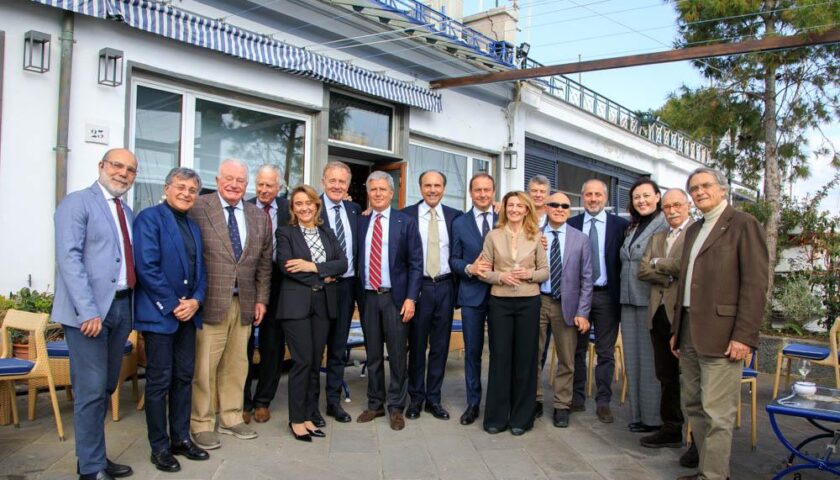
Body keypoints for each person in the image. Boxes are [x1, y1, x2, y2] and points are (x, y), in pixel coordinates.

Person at [673, 167, 768, 480]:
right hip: (687, 330)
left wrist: (744, 336)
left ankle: (714, 475)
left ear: (723, 190)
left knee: (718, 412)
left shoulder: (743, 224)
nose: (699, 192)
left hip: (724, 335)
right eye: (694, 188)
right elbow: (686, 282)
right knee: (693, 406)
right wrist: (676, 329)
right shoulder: (693, 230)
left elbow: (755, 285)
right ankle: (706, 469)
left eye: (705, 186)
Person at [52, 148, 138, 480]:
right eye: (117, 165)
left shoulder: (126, 212)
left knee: (104, 388)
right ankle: (90, 469)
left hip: (120, 308)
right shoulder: (77, 203)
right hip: (89, 313)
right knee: (90, 390)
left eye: (131, 169)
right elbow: (69, 259)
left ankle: (93, 457)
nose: (123, 173)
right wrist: (88, 311)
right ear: (101, 166)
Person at [189, 159, 273, 450]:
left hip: (245, 302)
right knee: (204, 367)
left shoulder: (258, 216)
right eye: (229, 178)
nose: (234, 184)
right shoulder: (199, 207)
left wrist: (261, 299)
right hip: (209, 302)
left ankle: (231, 417)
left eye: (240, 180)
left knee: (237, 365)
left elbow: (264, 263)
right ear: (217, 178)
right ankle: (201, 423)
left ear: (246, 184)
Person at [133, 168, 209, 472]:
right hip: (160, 316)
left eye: (193, 189)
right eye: (181, 187)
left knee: (183, 379)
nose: (187, 193)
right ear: (167, 188)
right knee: (159, 382)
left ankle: (181, 438)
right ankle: (160, 447)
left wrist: (196, 301)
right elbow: (146, 266)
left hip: (188, 316)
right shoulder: (149, 218)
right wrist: (173, 304)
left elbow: (202, 271)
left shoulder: (193, 226)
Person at [276, 185, 348, 442]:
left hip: (323, 305)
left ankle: (308, 415)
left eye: (309, 203)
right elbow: (287, 267)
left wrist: (311, 265)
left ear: (316, 205)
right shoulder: (285, 233)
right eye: (298, 203)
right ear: (292, 208)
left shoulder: (327, 232)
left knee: (315, 362)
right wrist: (322, 274)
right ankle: (296, 419)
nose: (304, 207)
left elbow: (342, 264)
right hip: (296, 306)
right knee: (302, 361)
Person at [355, 171, 423, 431]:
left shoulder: (405, 223)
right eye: (373, 190)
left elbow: (416, 263)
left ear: (392, 194)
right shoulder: (361, 222)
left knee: (396, 355)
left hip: (395, 299)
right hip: (369, 297)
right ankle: (375, 404)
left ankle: (396, 407)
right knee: (372, 354)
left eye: (383, 189)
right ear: (369, 193)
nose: (378, 194)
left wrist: (410, 298)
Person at [479, 191, 548, 436]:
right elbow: (483, 270)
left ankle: (522, 417)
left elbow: (544, 272)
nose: (515, 209)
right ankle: (497, 417)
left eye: (520, 205)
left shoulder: (537, 236)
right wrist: (500, 276)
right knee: (500, 358)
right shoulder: (493, 236)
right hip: (500, 302)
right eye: (511, 205)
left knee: (526, 359)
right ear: (504, 208)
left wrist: (528, 275)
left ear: (527, 209)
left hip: (529, 302)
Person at [637, 188, 695, 456]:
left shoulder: (695, 233)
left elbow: (687, 266)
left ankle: (697, 440)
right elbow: (642, 269)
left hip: (684, 313)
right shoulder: (658, 236)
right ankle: (671, 428)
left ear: (688, 206)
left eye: (677, 205)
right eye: (668, 206)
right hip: (658, 313)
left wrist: (661, 263)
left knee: (692, 378)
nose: (671, 210)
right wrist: (668, 273)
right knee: (666, 374)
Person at [568, 179, 629, 423]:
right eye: (588, 195)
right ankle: (577, 397)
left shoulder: (620, 226)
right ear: (582, 197)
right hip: (578, 296)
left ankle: (603, 401)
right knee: (576, 349)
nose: (593, 199)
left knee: (605, 352)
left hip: (606, 296)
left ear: (606, 198)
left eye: (598, 195)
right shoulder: (571, 224)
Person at [403, 170, 461, 421]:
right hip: (419, 288)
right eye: (428, 185)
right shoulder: (405, 216)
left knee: (440, 346)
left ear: (444, 188)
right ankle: (416, 398)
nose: (432, 190)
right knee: (416, 346)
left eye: (437, 185)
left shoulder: (455, 217)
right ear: (420, 187)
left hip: (446, 287)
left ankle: (433, 399)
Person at [535, 192, 593, 428]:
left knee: (567, 360)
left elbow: (587, 278)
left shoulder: (580, 239)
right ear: (546, 207)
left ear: (570, 210)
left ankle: (561, 405)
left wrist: (583, 311)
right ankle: (535, 399)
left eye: (565, 205)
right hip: (537, 301)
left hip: (566, 306)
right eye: (554, 204)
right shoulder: (535, 235)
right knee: (533, 355)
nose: (559, 208)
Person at [619, 179, 668, 433]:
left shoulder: (665, 224)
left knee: (650, 364)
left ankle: (653, 419)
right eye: (637, 197)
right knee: (633, 361)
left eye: (647, 196)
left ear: (658, 197)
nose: (642, 201)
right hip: (628, 301)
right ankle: (638, 415)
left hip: (651, 302)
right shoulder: (633, 226)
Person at [243, 164, 290, 425]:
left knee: (273, 346)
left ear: (279, 187)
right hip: (249, 285)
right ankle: (243, 402)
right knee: (243, 347)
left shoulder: (288, 208)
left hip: (281, 285)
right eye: (260, 184)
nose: (263, 189)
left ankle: (263, 401)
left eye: (269, 185)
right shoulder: (245, 208)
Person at [450, 173, 497, 425]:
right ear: (471, 192)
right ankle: (473, 403)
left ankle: (499, 403)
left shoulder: (505, 218)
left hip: (502, 295)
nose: (482, 194)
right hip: (472, 295)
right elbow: (453, 259)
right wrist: (470, 268)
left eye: (487, 190)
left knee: (501, 352)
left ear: (493, 192)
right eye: (477, 190)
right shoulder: (460, 223)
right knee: (473, 353)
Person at [319, 161, 362, 424]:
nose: (337, 186)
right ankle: (309, 403)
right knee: (314, 350)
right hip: (318, 287)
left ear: (348, 185)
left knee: (337, 348)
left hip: (346, 288)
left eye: (342, 182)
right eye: (332, 180)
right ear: (323, 181)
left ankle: (333, 402)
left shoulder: (355, 209)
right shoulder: (311, 207)